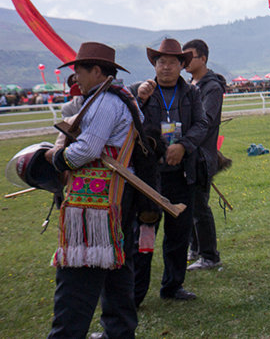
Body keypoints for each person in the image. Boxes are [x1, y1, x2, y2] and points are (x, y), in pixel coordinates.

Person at [44, 42, 149, 339]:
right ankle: (118, 332)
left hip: (97, 206)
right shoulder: (114, 98)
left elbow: (88, 149)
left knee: (78, 275)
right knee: (117, 272)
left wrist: (58, 158)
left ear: (97, 71)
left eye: (78, 70)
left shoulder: (106, 102)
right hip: (113, 198)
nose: (75, 77)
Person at [133, 38, 208, 302]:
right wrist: (139, 100)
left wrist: (184, 146)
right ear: (154, 64)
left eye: (172, 62)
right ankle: (136, 292)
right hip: (147, 177)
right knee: (143, 234)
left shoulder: (191, 93)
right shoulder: (140, 92)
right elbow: (129, 125)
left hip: (181, 173)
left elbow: (202, 124)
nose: (166, 67)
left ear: (181, 65)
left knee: (179, 233)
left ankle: (173, 286)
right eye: (161, 62)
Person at [182, 39, 227, 272]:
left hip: (201, 155)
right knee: (187, 204)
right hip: (187, 153)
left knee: (199, 206)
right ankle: (196, 248)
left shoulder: (211, 87)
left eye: (190, 56)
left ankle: (210, 255)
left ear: (203, 58)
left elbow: (206, 122)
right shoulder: (191, 84)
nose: (185, 61)